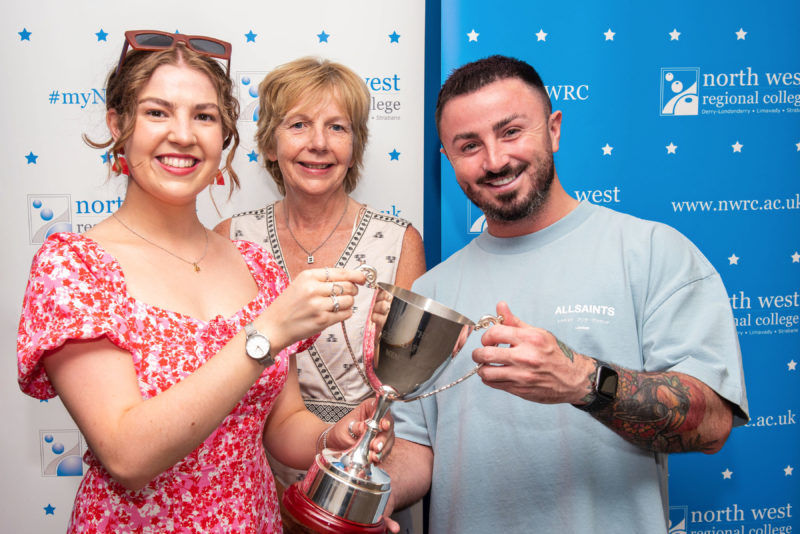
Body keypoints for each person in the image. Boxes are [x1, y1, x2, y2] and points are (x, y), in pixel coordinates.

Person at [16, 31, 392, 533]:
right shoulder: (75, 267)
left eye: (204, 116)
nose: (184, 134)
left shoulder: (256, 263)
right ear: (118, 125)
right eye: (157, 112)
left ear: (225, 137)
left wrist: (337, 436)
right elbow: (128, 456)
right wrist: (264, 336)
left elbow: (280, 426)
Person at [382, 55, 749, 534]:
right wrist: (365, 491)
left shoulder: (654, 252)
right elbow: (416, 447)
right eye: (469, 145)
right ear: (448, 160)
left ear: (553, 129)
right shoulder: (433, 291)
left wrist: (582, 381)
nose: (495, 160)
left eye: (511, 131)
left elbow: (713, 424)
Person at [214, 57, 425, 530]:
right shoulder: (230, 237)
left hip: (364, 479)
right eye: (299, 124)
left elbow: (408, 392)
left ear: (355, 146)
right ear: (270, 142)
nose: (318, 144)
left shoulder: (399, 241)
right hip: (252, 485)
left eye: (337, 127)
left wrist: (365, 494)